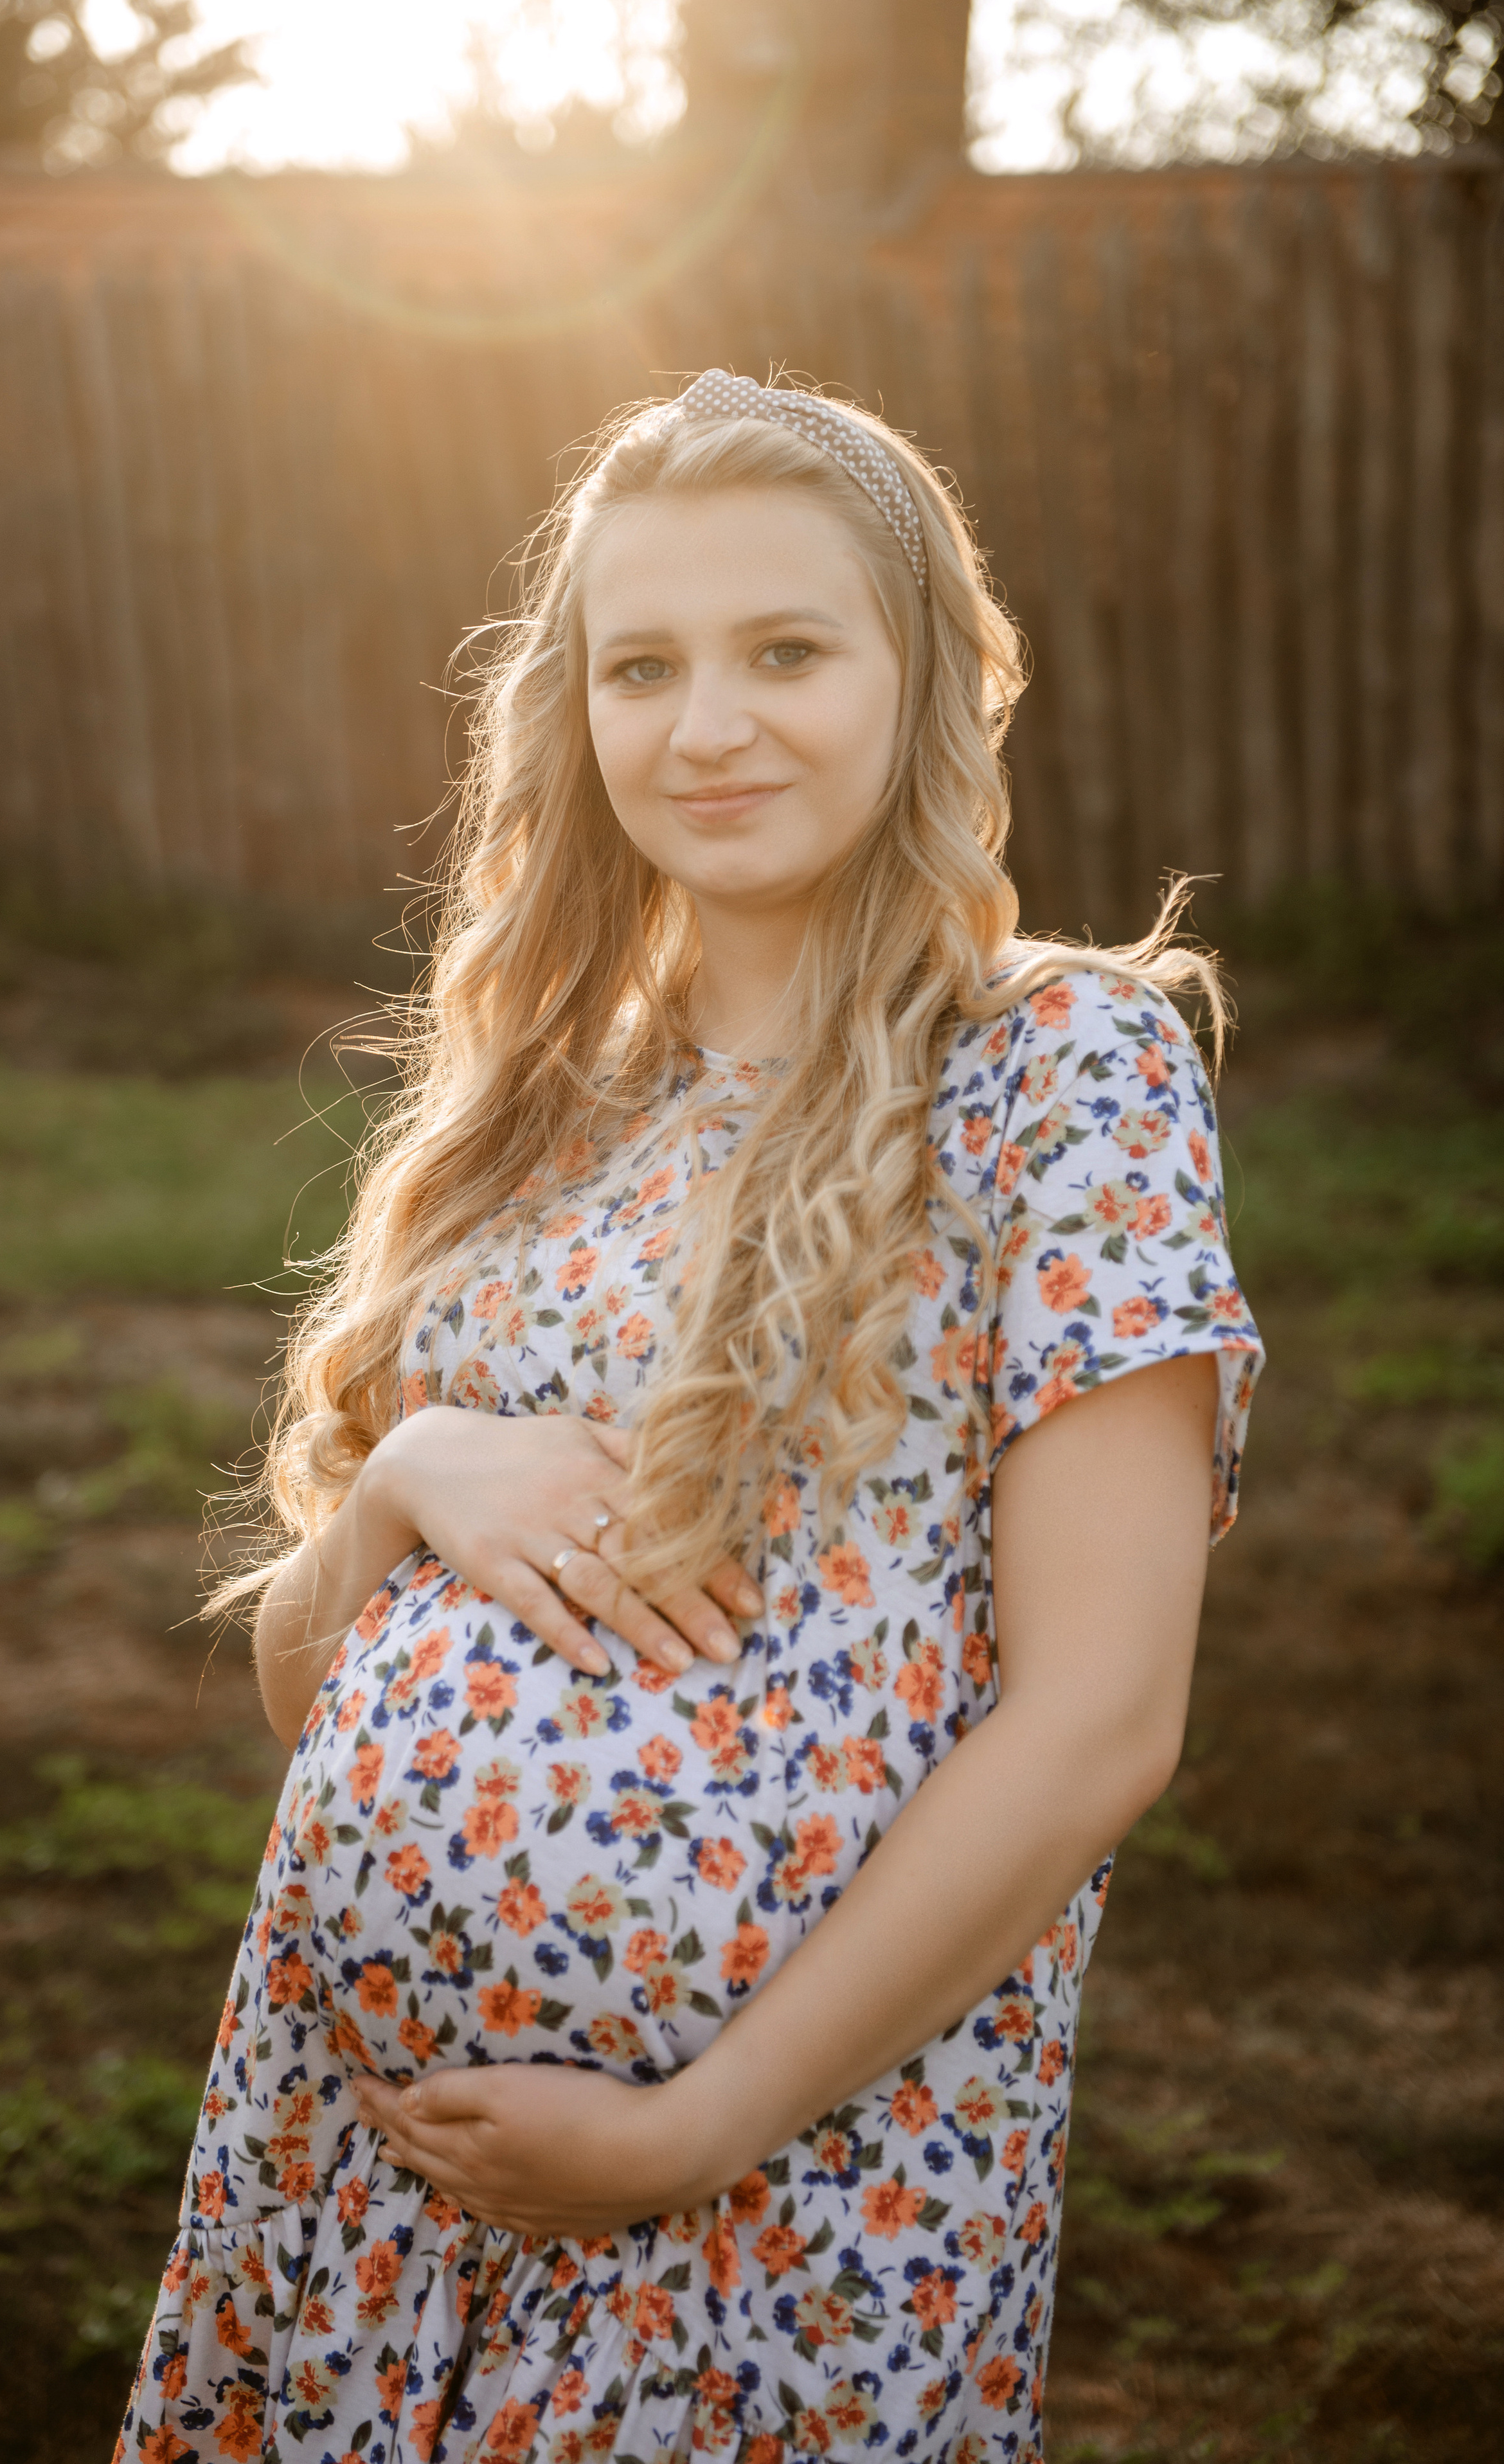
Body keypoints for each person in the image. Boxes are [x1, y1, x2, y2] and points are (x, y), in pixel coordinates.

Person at [118, 370, 1261, 2464]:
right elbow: (309, 1688)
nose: (706, 723)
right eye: (643, 665)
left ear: (926, 681)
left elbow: (1105, 1718)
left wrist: (684, 2126)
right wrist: (396, 1488)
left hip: (795, 2192)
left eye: (786, 650)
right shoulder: (533, 1114)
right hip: (362, 2181)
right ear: (574, 714)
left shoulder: (1056, 1072)